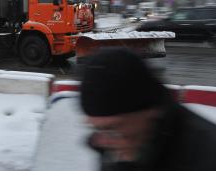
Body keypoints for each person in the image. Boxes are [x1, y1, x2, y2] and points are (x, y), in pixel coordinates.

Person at [79, 48, 216, 171]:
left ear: (150, 110)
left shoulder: (206, 154)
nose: (103, 141)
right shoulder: (117, 146)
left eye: (113, 127)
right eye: (97, 128)